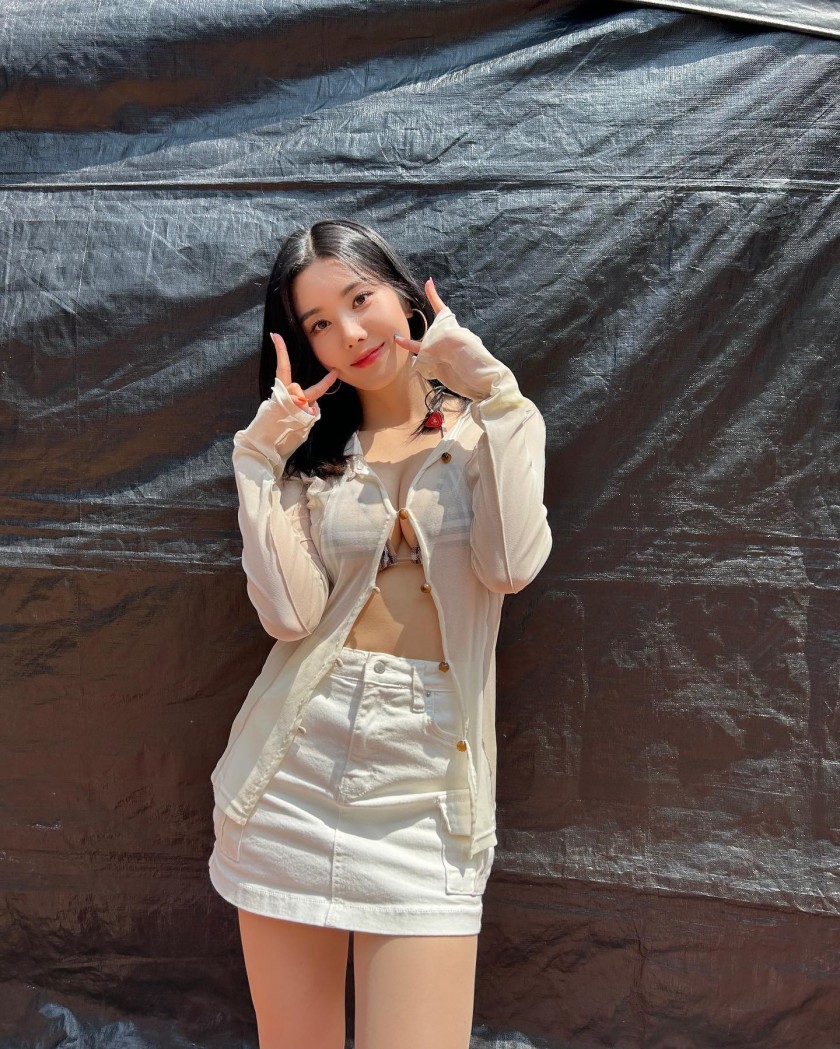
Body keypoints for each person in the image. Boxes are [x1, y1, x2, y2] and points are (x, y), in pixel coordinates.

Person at [208, 218, 552, 1049]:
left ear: (401, 292)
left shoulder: (489, 425)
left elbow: (510, 564)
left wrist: (497, 393)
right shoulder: (313, 457)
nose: (350, 334)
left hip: (430, 785)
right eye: (320, 323)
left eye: (360, 300)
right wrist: (259, 462)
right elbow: (290, 617)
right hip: (293, 770)